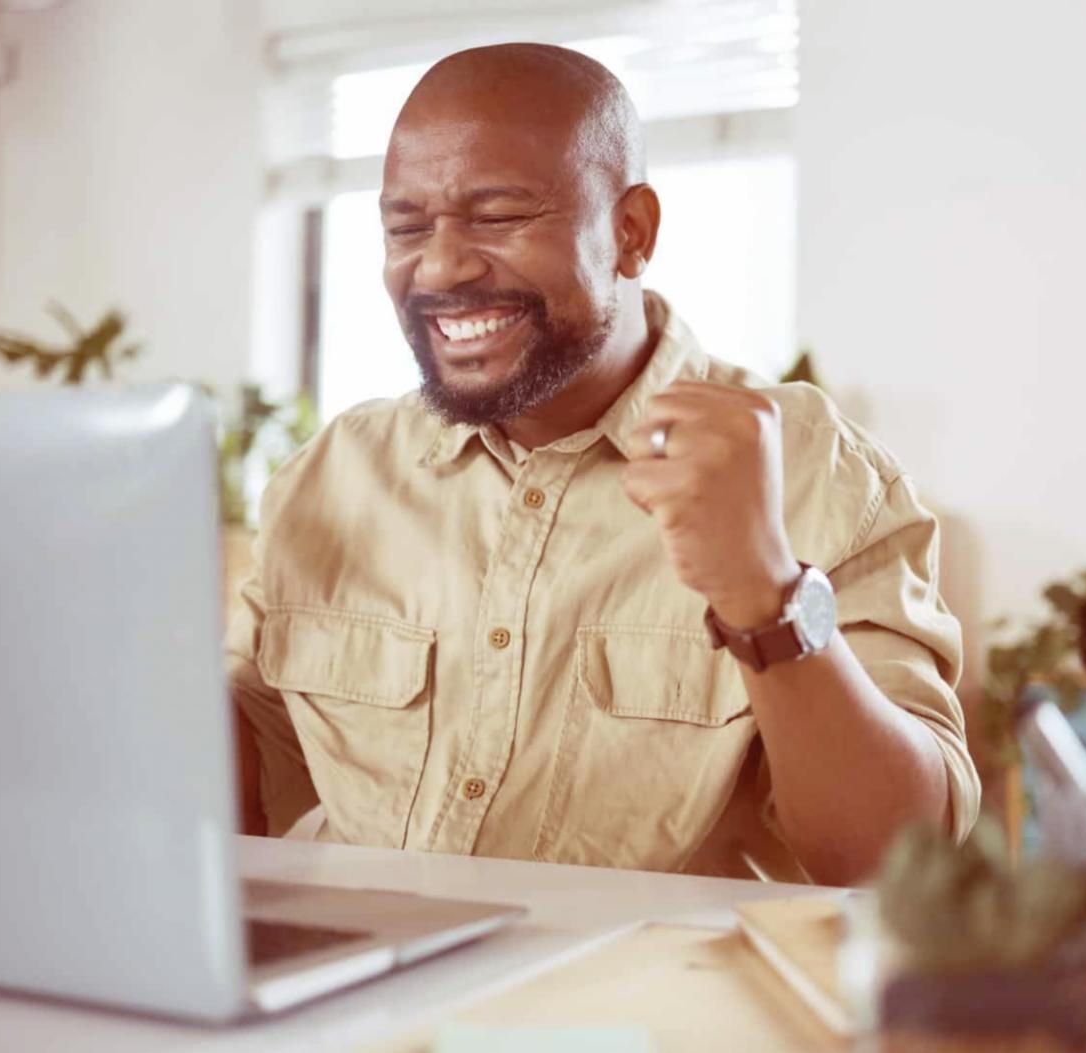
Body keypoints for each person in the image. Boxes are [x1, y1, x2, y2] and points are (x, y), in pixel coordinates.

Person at [228, 43, 979, 886]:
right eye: (406, 226)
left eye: (498, 215)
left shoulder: (815, 469)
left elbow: (900, 863)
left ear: (631, 232)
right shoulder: (336, 471)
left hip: (654, 1007)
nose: (438, 265)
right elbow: (238, 776)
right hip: (357, 995)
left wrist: (765, 593)